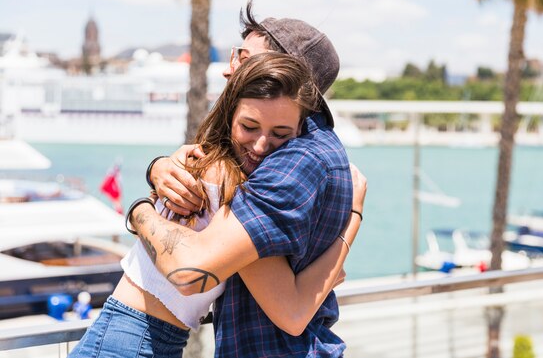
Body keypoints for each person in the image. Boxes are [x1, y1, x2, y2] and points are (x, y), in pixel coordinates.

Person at [69, 53, 365, 358]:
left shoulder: (212, 165)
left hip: (146, 340)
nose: (261, 146)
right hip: (128, 341)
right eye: (249, 126)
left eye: (280, 134)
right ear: (230, 114)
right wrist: (352, 220)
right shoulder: (226, 182)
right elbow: (293, 311)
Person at [137, 1, 361, 357]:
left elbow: (191, 271)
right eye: (235, 55)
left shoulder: (295, 159)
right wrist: (158, 167)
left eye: (245, 59)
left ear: (281, 76)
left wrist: (138, 211)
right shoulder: (280, 149)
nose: (230, 71)